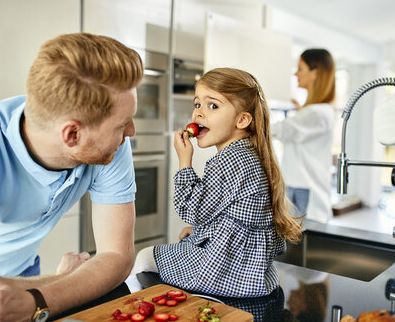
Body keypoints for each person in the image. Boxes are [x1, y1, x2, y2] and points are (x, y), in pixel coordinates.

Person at [0, 32, 143, 322]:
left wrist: (40, 296)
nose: (131, 132)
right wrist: (65, 284)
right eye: (123, 124)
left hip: (24, 277)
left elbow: (116, 257)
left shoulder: (110, 145)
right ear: (72, 134)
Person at [131, 67, 301, 298]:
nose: (199, 114)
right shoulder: (248, 154)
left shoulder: (228, 161)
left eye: (213, 106)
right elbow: (226, 213)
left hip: (227, 271)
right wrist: (203, 230)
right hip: (252, 270)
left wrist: (184, 162)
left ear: (242, 120)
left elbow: (192, 211)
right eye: (197, 104)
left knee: (144, 257)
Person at [271, 48, 336, 223]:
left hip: (304, 193)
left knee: (299, 242)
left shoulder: (317, 113)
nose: (296, 73)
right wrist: (302, 111)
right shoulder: (315, 112)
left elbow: (281, 130)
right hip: (300, 189)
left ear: (315, 73)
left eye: (300, 68)